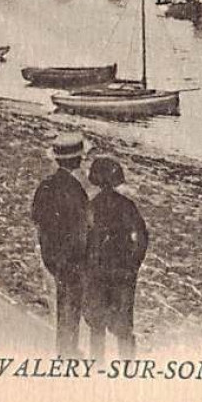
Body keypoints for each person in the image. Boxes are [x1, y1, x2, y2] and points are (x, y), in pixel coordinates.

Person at [84, 155, 149, 360]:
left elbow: (83, 240)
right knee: (124, 327)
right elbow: (142, 237)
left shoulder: (91, 206)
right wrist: (134, 263)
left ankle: (97, 368)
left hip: (97, 271)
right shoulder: (126, 205)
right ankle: (129, 368)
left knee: (97, 327)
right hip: (122, 271)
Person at [30, 131, 90, 356]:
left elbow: (36, 217)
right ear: (78, 161)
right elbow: (83, 227)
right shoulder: (76, 191)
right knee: (70, 302)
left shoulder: (46, 185)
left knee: (61, 299)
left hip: (50, 253)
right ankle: (67, 350)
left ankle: (65, 347)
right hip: (71, 256)